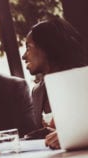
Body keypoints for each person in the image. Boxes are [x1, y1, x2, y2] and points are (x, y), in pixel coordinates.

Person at [22, 17, 87, 149]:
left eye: (28, 48)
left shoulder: (84, 80)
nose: (24, 56)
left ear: (47, 48)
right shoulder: (37, 92)